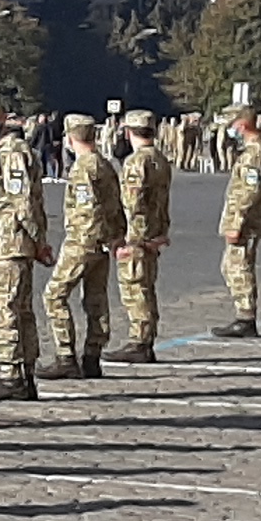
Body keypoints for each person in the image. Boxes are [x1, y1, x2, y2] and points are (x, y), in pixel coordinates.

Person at [0, 92, 51, 401]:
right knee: (21, 309)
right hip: (17, 242)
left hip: (10, 242)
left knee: (4, 310)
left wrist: (39, 242)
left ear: (3, 118)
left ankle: (11, 374)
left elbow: (23, 202)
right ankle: (24, 374)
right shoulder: (10, 150)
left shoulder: (12, 153)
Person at [44, 113, 124, 378]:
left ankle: (66, 356)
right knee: (96, 299)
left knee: (54, 296)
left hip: (84, 240)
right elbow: (116, 206)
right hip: (104, 241)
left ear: (69, 137)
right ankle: (93, 355)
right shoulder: (104, 164)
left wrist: (83, 240)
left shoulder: (83, 168)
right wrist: (115, 237)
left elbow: (87, 207)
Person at [112, 108, 175, 363]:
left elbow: (132, 202)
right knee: (146, 285)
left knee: (135, 287)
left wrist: (129, 237)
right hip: (155, 230)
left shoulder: (136, 161)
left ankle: (140, 340)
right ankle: (144, 338)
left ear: (128, 132)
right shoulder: (159, 158)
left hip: (138, 235)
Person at [214, 99, 261, 337]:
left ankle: (245, 317)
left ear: (241, 125)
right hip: (248, 220)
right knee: (232, 266)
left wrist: (236, 222)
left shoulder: (254, 154)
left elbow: (249, 193)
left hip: (246, 222)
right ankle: (244, 313)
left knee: (238, 267)